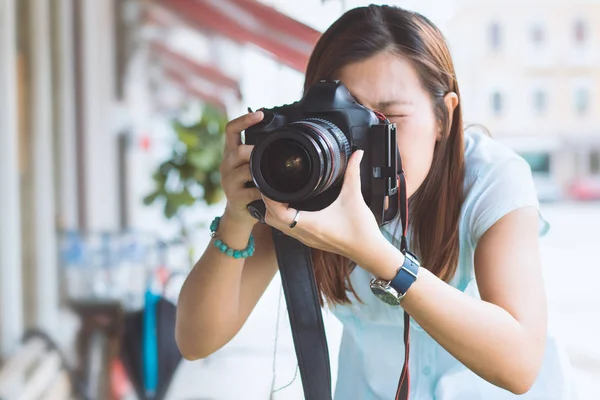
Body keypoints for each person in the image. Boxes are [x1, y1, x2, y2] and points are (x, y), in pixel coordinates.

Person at [175, 5, 575, 399]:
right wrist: (237, 216)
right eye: (346, 119)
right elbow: (196, 341)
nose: (364, 145)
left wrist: (378, 257)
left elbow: (519, 366)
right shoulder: (307, 181)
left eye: (388, 120)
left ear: (444, 118)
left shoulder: (490, 178)